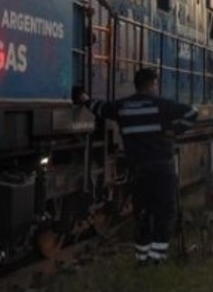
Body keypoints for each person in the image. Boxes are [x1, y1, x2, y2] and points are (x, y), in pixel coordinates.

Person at [75, 68, 198, 264]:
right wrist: (174, 131)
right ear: (152, 84)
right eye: (156, 84)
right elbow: (193, 112)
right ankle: (157, 258)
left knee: (142, 213)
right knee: (164, 212)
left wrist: (84, 99)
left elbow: (100, 108)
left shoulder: (123, 107)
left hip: (139, 170)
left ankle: (141, 259)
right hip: (163, 169)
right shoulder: (162, 105)